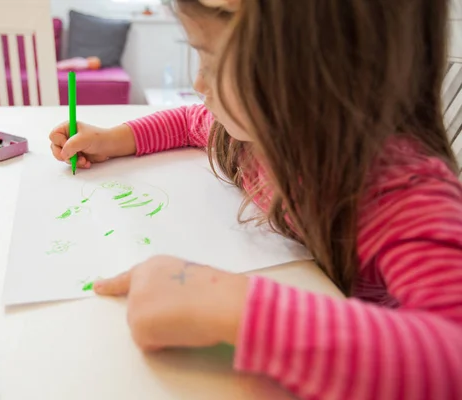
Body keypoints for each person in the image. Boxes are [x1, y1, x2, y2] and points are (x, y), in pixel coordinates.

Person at [49, 0, 462, 398]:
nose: (198, 84)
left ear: (314, 66)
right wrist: (116, 138)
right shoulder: (252, 136)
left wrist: (231, 307)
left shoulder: (399, 192)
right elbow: (191, 121)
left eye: (211, 59)